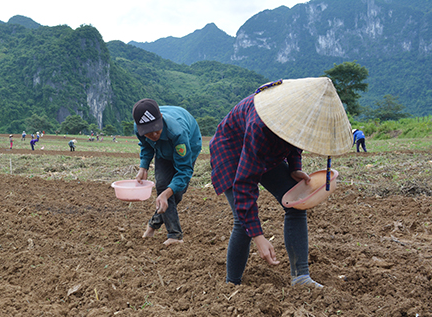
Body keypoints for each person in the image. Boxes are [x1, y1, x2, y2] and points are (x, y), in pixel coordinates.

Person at [210, 77, 351, 288]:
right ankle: (232, 285)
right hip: (231, 150)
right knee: (243, 223)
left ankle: (301, 277)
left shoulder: (297, 115)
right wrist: (258, 236)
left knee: (296, 204)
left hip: (263, 145)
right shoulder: (261, 126)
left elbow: (296, 138)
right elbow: (244, 184)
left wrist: (294, 167)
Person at [132, 98, 202, 246]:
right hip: (162, 151)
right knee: (163, 185)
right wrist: (143, 166)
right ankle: (175, 235)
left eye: (156, 129)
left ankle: (153, 224)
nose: (154, 135)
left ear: (161, 119)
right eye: (148, 133)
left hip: (188, 145)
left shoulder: (178, 132)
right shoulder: (139, 129)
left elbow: (184, 170)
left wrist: (166, 193)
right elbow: (146, 145)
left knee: (175, 193)